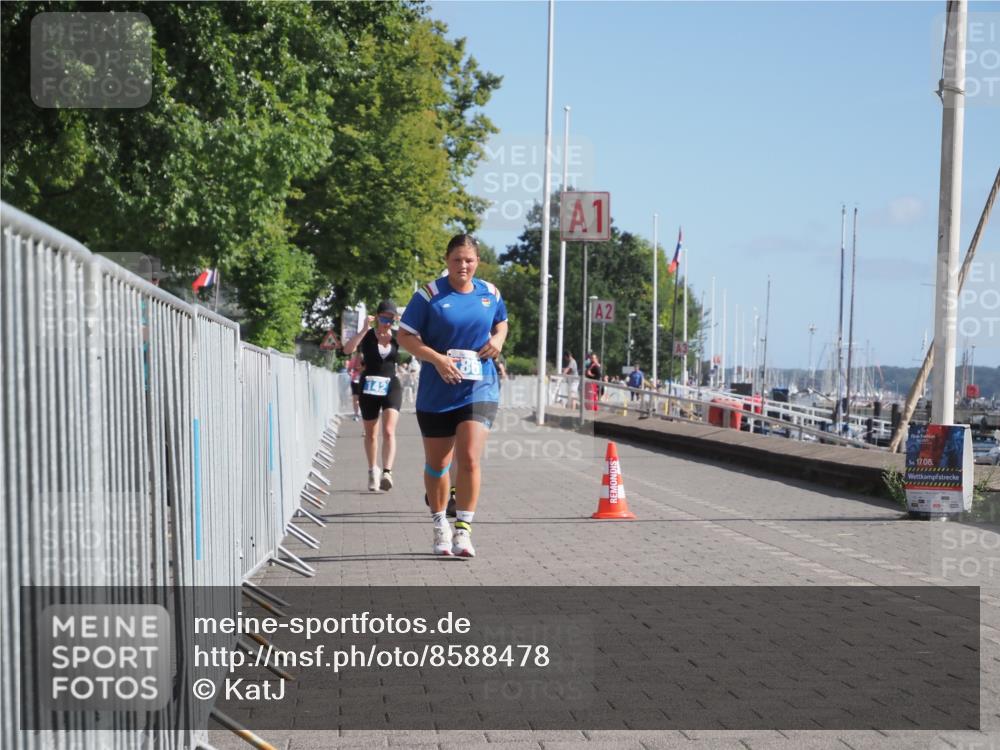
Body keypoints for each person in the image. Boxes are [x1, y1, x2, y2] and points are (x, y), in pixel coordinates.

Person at [398, 234, 508, 558]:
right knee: (438, 464)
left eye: (469, 260)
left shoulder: (490, 293)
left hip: (479, 387)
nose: (464, 266)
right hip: (437, 390)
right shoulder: (429, 295)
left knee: (470, 457)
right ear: (447, 260)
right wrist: (437, 359)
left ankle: (463, 530)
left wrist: (498, 341)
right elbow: (405, 336)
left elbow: (502, 323)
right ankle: (439, 525)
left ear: (477, 263)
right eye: (458, 259)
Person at [343, 301, 402, 492]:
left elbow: (419, 342)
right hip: (369, 386)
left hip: (391, 384)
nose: (387, 322)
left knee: (389, 430)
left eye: (391, 319)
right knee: (371, 433)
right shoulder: (367, 335)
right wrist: (363, 330)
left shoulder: (397, 337)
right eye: (384, 318)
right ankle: (372, 470)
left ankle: (387, 471)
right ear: (377, 317)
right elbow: (347, 349)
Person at [347, 352, 363, 421]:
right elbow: (349, 369)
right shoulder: (353, 359)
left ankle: (364, 413)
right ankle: (356, 414)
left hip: (364, 379)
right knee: (355, 399)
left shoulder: (367, 357)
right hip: (355, 380)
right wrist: (350, 373)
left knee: (363, 399)